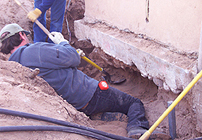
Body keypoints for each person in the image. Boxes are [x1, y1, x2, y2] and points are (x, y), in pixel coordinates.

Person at [0, 23, 170, 139]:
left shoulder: (12, 67)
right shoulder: (33, 50)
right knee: (134, 103)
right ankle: (137, 129)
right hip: (90, 93)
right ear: (21, 35)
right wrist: (64, 44)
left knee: (107, 107)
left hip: (72, 105)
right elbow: (73, 58)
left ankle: (104, 116)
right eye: (26, 35)